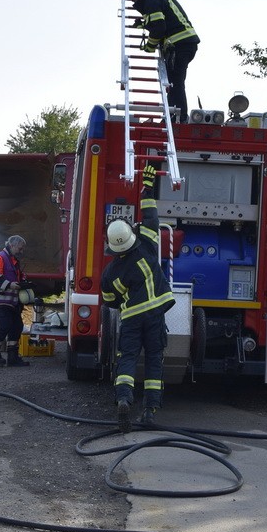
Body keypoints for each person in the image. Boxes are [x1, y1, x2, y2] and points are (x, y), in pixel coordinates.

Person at [101, 163, 175, 432]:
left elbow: (109, 300)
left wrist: (123, 298)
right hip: (156, 315)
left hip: (131, 319)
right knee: (154, 360)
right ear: (131, 235)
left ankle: (123, 399)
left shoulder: (111, 272)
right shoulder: (147, 242)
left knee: (127, 359)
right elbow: (151, 214)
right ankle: (150, 411)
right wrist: (147, 187)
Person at [127, 0, 200, 123]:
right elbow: (163, 22)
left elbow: (159, 28)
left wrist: (149, 46)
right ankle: (172, 114)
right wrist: (143, 24)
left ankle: (179, 117)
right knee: (172, 82)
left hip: (180, 45)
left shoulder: (151, 0)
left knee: (175, 82)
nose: (134, 3)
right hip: (184, 44)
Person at [0, 235, 30, 368]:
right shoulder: (0, 258)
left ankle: (13, 357)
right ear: (12, 245)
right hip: (0, 301)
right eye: (20, 249)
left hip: (12, 302)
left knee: (17, 327)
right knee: (5, 325)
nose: (21, 252)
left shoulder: (13, 260)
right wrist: (11, 285)